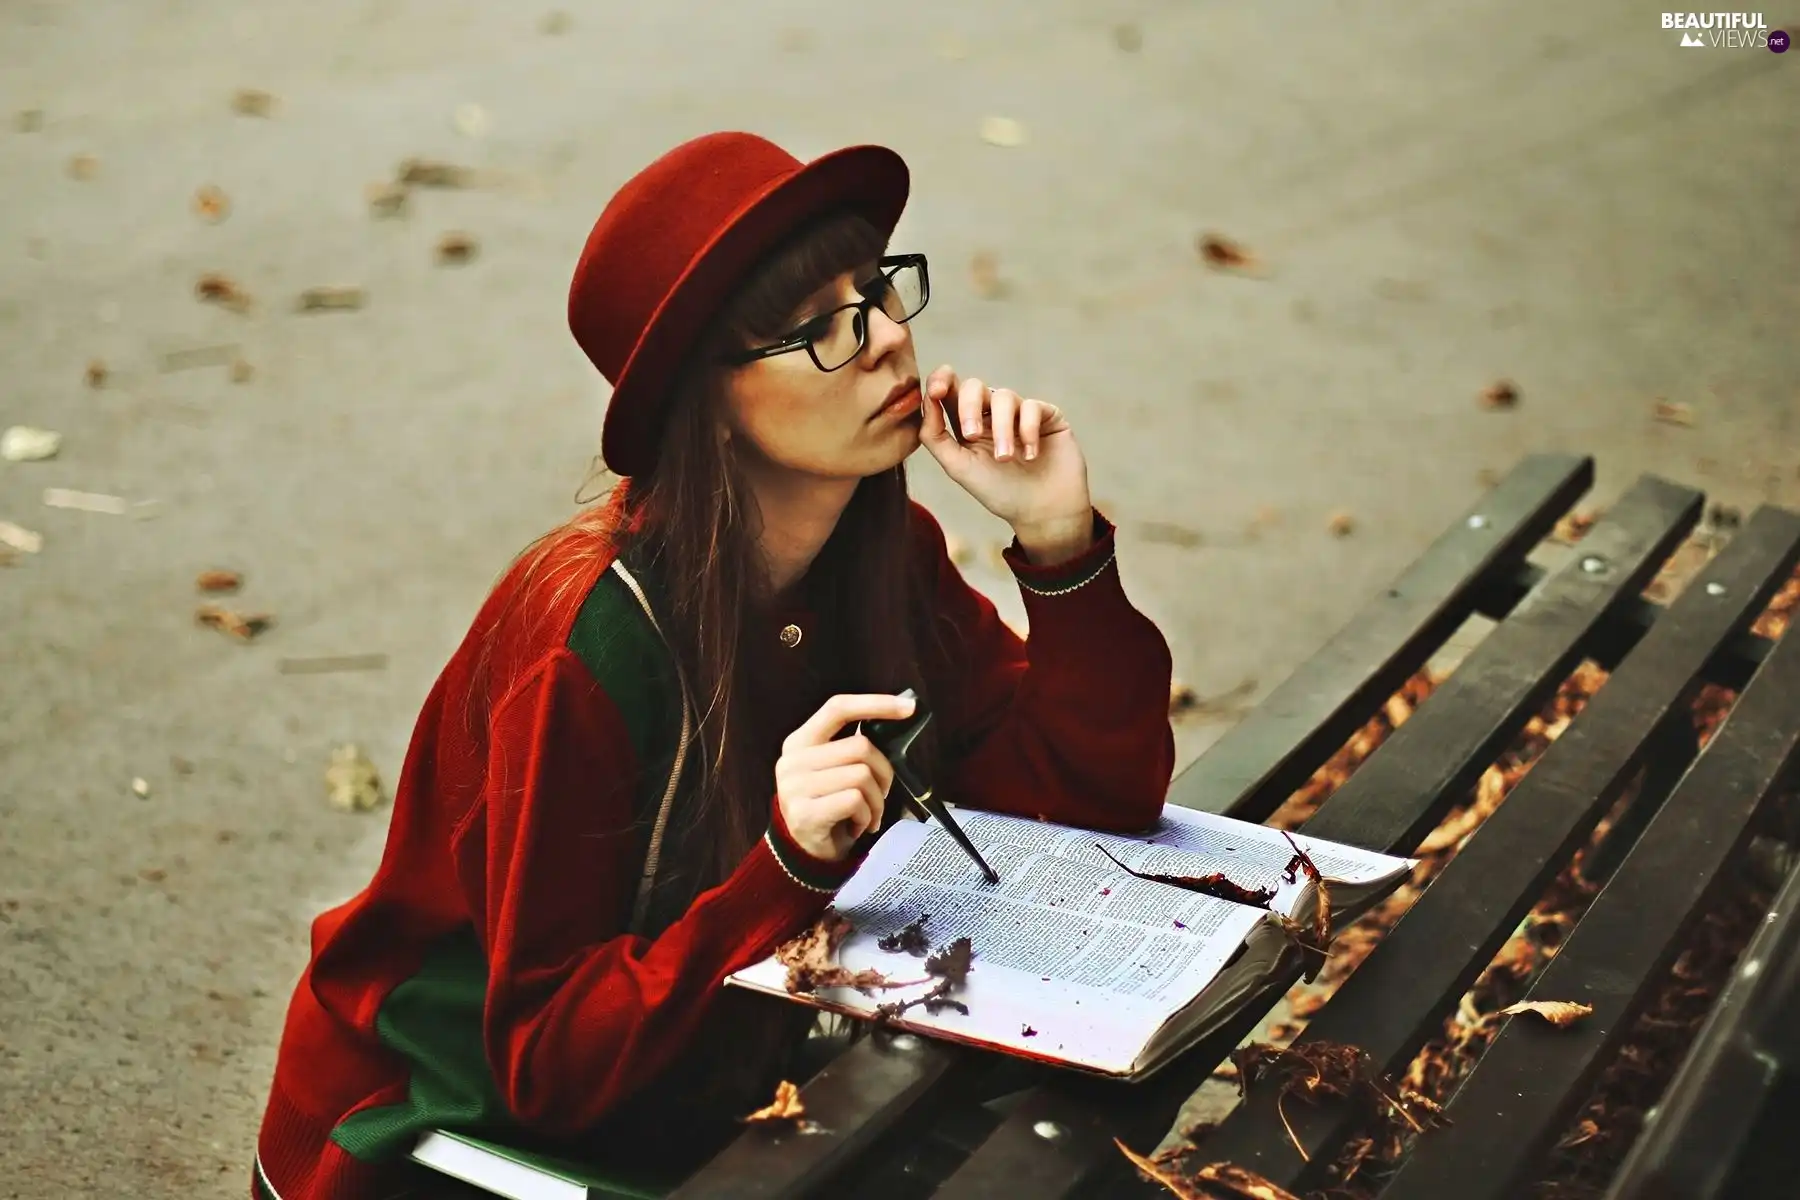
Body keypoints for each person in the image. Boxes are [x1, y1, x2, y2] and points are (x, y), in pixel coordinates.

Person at [249, 131, 1176, 1200]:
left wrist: (1061, 551)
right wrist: (783, 868)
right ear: (711, 404)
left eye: (874, 292)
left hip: (710, 1077)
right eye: (815, 328)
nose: (879, 340)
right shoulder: (589, 643)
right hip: (444, 1133)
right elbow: (547, 1065)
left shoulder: (882, 556)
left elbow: (1093, 798)